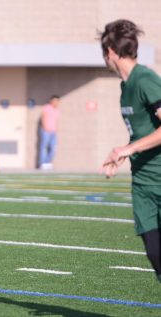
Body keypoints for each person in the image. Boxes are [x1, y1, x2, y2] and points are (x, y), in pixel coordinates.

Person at [100, 19, 161, 283]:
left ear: (112, 51)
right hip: (143, 184)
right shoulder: (125, 88)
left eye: (104, 53)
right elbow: (141, 132)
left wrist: (128, 148)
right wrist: (122, 154)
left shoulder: (145, 79)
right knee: (155, 254)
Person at [38, 95, 61, 170]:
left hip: (53, 132)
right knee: (43, 147)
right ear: (51, 101)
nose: (56, 102)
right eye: (55, 101)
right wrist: (45, 127)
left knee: (53, 148)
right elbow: (43, 117)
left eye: (58, 101)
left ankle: (47, 162)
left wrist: (55, 130)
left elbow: (56, 121)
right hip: (45, 131)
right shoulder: (46, 108)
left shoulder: (57, 110)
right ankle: (42, 164)